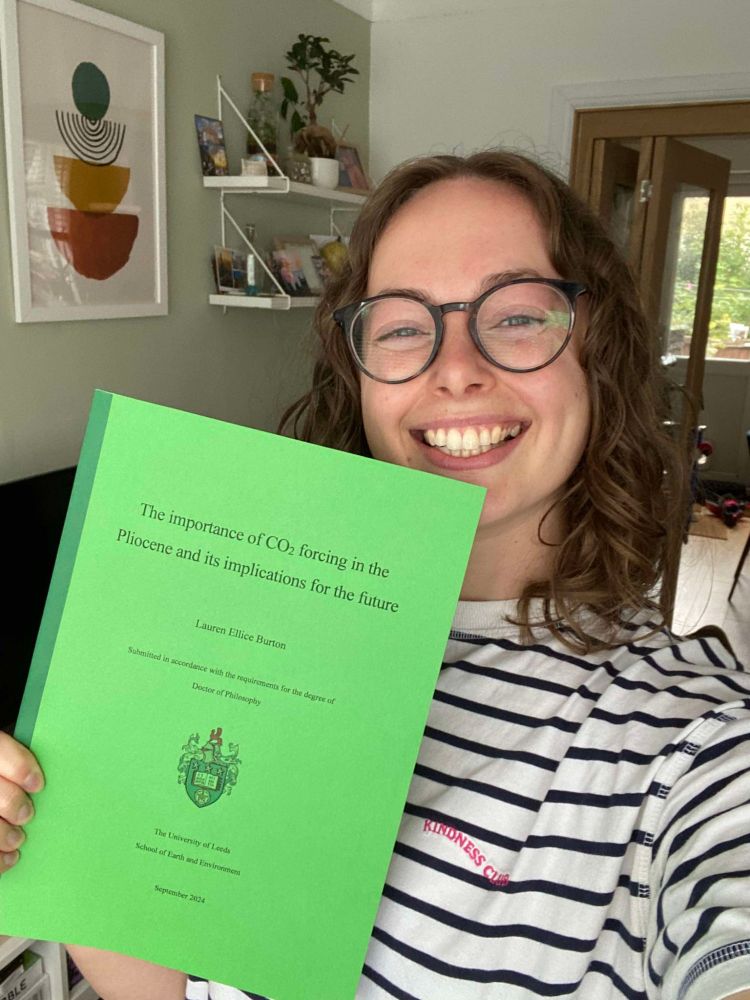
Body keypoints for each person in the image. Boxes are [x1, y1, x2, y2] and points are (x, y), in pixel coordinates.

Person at [1, 151, 749, 1000]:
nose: (456, 368)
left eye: (516, 316)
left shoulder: (691, 741)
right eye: (400, 327)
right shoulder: (250, 643)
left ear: (597, 347)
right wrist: (41, 835)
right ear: (356, 371)